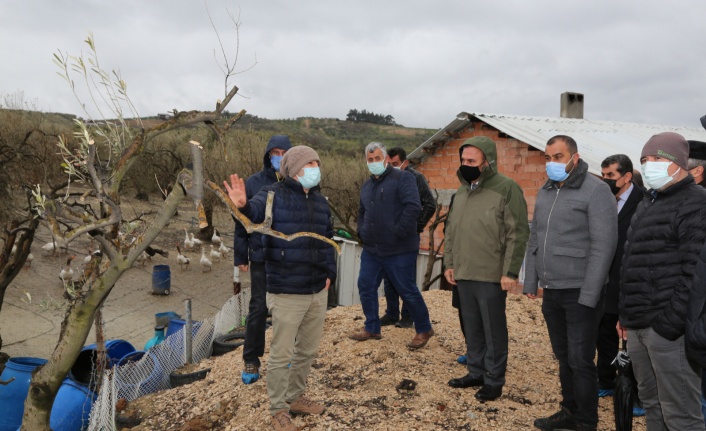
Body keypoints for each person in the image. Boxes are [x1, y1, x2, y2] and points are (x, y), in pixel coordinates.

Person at [225, 145, 337, 431]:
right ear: (294, 168)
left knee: (308, 350)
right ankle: (278, 409)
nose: (315, 167)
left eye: (317, 162)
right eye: (310, 163)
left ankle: (295, 396)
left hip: (316, 289)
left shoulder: (321, 201)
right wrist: (242, 205)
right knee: (282, 353)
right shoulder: (272, 194)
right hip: (286, 289)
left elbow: (328, 241)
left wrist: (330, 273)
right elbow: (254, 212)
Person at [523, 135, 617, 431]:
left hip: (580, 291)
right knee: (563, 357)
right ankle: (569, 411)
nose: (552, 163)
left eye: (558, 156)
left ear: (574, 158)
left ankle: (587, 422)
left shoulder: (596, 191)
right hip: (552, 289)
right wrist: (531, 280)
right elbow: (535, 235)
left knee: (580, 360)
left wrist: (590, 293)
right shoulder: (547, 190)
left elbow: (604, 246)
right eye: (548, 157)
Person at [618, 132, 706, 430]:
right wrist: (625, 315)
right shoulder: (648, 202)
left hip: (668, 331)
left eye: (657, 158)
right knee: (652, 403)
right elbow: (632, 262)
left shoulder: (695, 202)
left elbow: (694, 272)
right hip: (639, 324)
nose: (649, 164)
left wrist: (669, 325)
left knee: (680, 413)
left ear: (679, 163)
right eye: (645, 159)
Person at [443, 136, 529, 401]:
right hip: (464, 272)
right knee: (472, 326)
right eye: (463, 160)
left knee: (493, 330)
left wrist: (510, 271)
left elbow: (518, 232)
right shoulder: (460, 191)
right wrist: (449, 263)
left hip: (492, 274)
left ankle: (494, 380)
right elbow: (451, 231)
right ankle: (476, 371)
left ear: (487, 162)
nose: (466, 165)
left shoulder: (507, 188)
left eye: (472, 161)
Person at [349, 142, 434, 349]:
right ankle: (372, 327)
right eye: (370, 160)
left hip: (399, 248)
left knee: (407, 289)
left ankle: (424, 328)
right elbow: (361, 211)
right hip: (373, 248)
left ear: (386, 159)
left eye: (377, 158)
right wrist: (362, 231)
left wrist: (398, 232)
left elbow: (413, 207)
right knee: (366, 285)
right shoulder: (367, 185)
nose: (374, 163)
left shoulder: (403, 178)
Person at [233, 135, 291, 384]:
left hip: (288, 256)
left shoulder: (295, 182)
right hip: (260, 254)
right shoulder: (255, 182)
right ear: (268, 155)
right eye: (274, 152)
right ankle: (252, 359)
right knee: (258, 307)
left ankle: (284, 354)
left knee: (287, 308)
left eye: (283, 152)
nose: (278, 156)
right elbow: (241, 222)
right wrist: (240, 254)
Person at [596, 154, 643, 398]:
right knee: (603, 334)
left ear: (626, 177)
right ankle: (604, 381)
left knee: (632, 341)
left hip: (629, 282)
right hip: (603, 282)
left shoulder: (644, 202)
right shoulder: (601, 199)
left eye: (611, 176)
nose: (605, 180)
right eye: (603, 175)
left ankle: (633, 392)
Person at [380, 146, 437, 329]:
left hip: (407, 238)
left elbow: (430, 204)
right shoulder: (384, 178)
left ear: (405, 162)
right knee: (388, 277)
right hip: (388, 237)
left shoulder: (416, 178)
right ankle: (391, 313)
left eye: (395, 164)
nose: (391, 167)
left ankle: (407, 316)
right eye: (389, 163)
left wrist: (416, 226)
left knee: (406, 278)